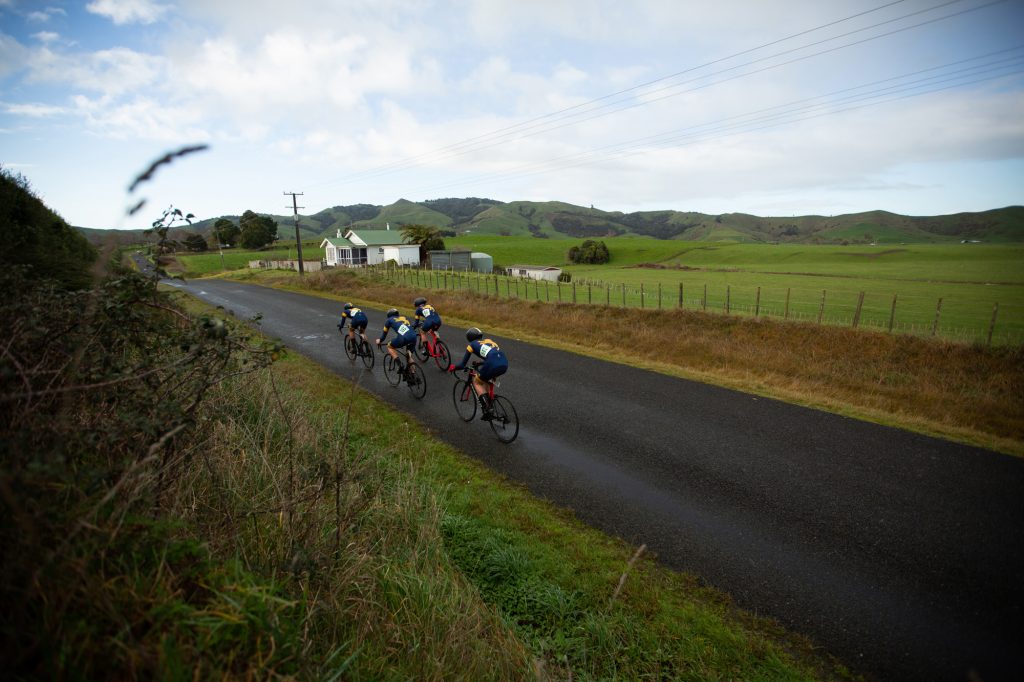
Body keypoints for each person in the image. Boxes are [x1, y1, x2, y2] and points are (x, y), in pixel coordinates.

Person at [448, 327, 508, 420]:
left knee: (476, 381)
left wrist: (454, 367)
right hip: (504, 363)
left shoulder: (471, 345)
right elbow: (494, 355)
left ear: (469, 338)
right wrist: (480, 363)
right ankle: (490, 403)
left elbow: (463, 364)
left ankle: (487, 410)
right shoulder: (489, 340)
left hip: (492, 364)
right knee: (486, 380)